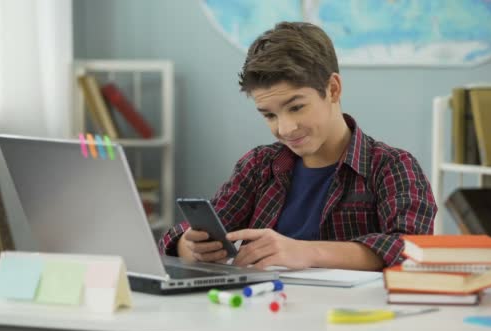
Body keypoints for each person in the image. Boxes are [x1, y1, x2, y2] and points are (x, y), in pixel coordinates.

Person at [158, 21, 436, 271]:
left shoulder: (391, 166)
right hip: (264, 314)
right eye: (269, 115)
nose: (285, 128)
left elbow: (413, 248)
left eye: (296, 107)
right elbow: (193, 232)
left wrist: (305, 251)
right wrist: (188, 246)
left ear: (333, 89)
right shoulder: (258, 166)